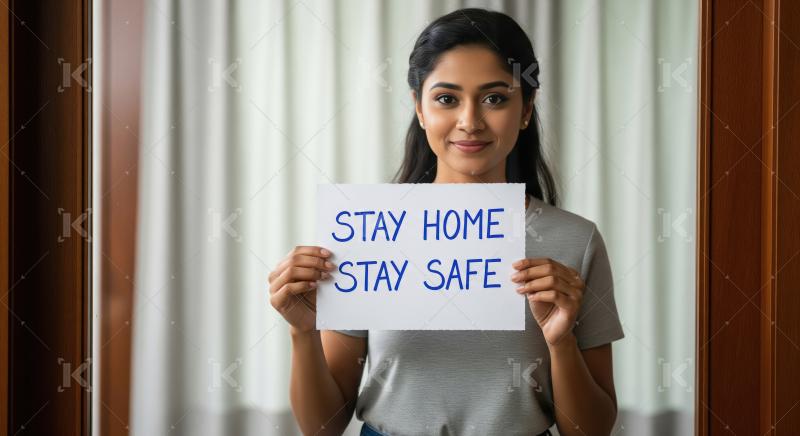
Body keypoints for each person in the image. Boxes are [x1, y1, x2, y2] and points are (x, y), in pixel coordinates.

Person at [268, 8, 625, 436]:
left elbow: (592, 431)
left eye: (495, 98)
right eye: (446, 98)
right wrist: (302, 333)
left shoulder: (575, 240)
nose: (470, 121)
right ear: (419, 109)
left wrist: (561, 341)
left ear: (526, 110)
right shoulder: (368, 233)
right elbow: (320, 427)